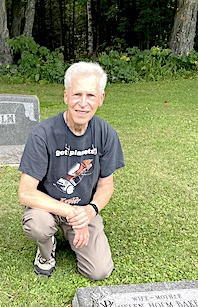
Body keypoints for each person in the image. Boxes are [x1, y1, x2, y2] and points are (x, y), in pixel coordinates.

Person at [18, 61, 125, 279]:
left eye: (91, 96)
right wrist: (71, 213)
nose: (83, 103)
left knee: (99, 272)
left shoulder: (107, 134)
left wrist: (90, 211)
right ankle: (46, 251)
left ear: (101, 99)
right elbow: (26, 192)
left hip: (84, 209)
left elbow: (106, 185)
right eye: (77, 95)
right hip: (48, 209)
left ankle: (75, 233)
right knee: (38, 225)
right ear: (66, 96)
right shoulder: (43, 134)